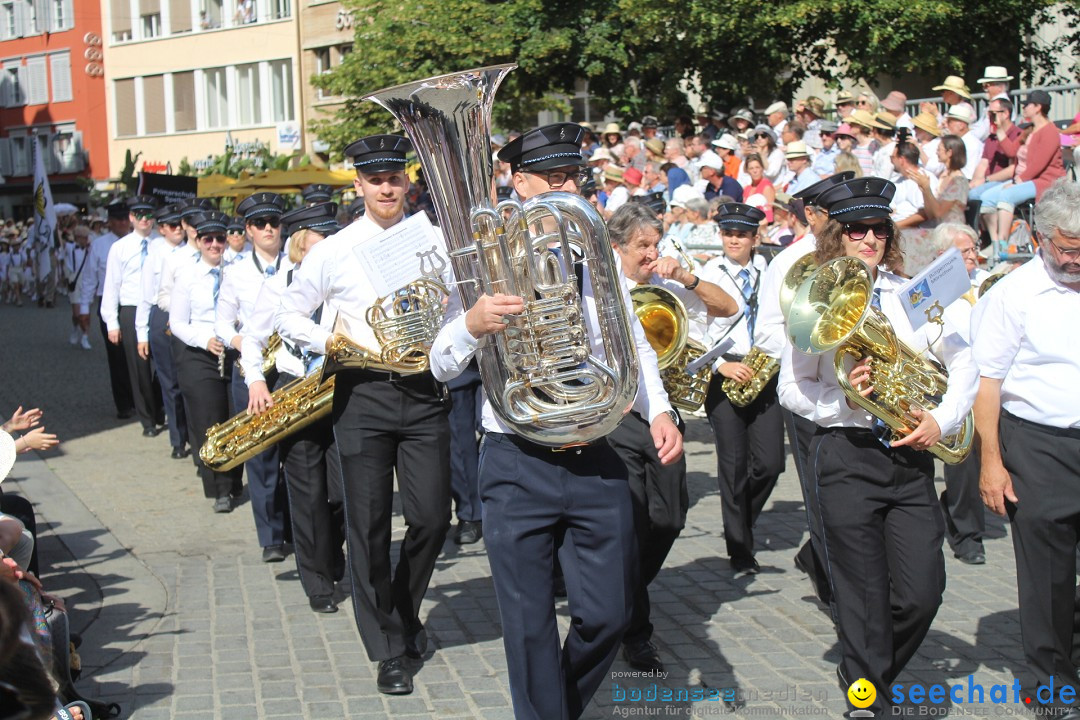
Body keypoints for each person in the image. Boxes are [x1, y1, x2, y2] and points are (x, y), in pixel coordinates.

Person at [431, 122, 682, 720]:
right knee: (528, 621)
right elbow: (440, 364)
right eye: (556, 177)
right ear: (519, 183)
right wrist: (472, 324)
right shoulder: (476, 259)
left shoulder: (595, 259)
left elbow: (633, 346)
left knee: (609, 613)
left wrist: (661, 409)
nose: (570, 188)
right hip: (517, 458)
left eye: (576, 176)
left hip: (594, 451)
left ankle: (553, 708)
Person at [777, 176, 978, 717]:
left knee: (922, 591)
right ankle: (868, 697)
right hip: (844, 457)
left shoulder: (911, 293)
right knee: (861, 593)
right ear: (835, 236)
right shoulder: (813, 298)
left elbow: (964, 364)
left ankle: (867, 666)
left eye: (877, 229)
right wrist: (847, 403)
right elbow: (792, 389)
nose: (868, 238)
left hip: (911, 456)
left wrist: (941, 417)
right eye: (855, 230)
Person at [276, 134, 452, 696]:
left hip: (424, 391)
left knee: (431, 518)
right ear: (359, 186)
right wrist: (331, 340)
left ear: (406, 183)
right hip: (362, 394)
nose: (385, 188)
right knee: (370, 527)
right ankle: (388, 648)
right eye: (374, 180)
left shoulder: (433, 239)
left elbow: (454, 305)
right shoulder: (334, 249)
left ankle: (398, 610)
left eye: (393, 178)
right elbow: (286, 311)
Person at [607, 202, 739, 672]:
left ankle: (618, 593)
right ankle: (634, 632)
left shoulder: (665, 286)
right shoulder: (602, 291)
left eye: (654, 244)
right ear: (617, 247)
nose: (650, 253)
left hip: (663, 415)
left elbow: (730, 307)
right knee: (630, 522)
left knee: (669, 519)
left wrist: (684, 275)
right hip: (617, 418)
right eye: (641, 246)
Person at [972, 179, 1080, 717]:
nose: (1076, 259)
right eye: (1067, 247)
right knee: (1048, 574)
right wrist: (991, 463)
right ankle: (1051, 683)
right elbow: (986, 383)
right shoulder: (1011, 295)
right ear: (1038, 237)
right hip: (1039, 445)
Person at [243, 201, 345, 612]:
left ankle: (333, 555)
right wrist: (254, 381)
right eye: (326, 238)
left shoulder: (342, 278)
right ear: (305, 242)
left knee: (339, 493)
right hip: (293, 390)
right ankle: (317, 584)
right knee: (306, 494)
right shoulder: (278, 283)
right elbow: (251, 338)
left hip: (339, 388)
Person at [701, 203, 784, 575]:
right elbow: (694, 328)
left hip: (765, 369)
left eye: (741, 234)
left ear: (755, 238)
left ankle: (741, 519)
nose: (733, 239)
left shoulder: (771, 271)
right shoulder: (708, 272)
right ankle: (739, 547)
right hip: (726, 370)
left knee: (770, 463)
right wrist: (721, 365)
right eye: (727, 233)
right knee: (733, 467)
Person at [216, 192, 290, 562]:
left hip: (291, 369)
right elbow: (221, 322)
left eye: (274, 222)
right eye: (260, 223)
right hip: (252, 371)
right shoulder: (236, 272)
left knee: (295, 451)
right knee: (261, 455)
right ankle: (271, 537)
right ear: (247, 229)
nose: (268, 229)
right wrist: (242, 340)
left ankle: (295, 526)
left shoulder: (298, 263)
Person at [170, 210, 245, 513]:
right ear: (198, 241)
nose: (215, 244)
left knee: (235, 419)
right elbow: (177, 323)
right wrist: (205, 340)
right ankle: (219, 489)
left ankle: (235, 477)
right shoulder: (187, 276)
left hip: (233, 350)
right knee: (209, 422)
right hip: (200, 355)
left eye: (220, 238)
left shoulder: (237, 270)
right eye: (208, 239)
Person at [931, 223, 988, 566]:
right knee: (963, 462)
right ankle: (967, 534)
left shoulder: (988, 281)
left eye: (973, 249)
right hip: (951, 379)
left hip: (992, 379)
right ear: (943, 256)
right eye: (964, 251)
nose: (973, 256)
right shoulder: (931, 287)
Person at [100, 195, 166, 436]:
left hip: (157, 306)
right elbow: (111, 286)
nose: (145, 220)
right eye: (140, 215)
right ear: (131, 218)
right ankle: (147, 419)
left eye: (149, 215)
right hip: (130, 307)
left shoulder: (162, 243)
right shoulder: (120, 248)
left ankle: (158, 405)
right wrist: (112, 322)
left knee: (162, 363)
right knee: (138, 367)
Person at [136, 203, 192, 460]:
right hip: (163, 318)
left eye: (180, 224)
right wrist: (141, 333)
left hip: (190, 320)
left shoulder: (193, 251)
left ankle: (194, 432)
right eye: (172, 226)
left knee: (189, 381)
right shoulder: (154, 255)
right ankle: (178, 440)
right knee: (170, 383)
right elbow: (145, 298)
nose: (178, 229)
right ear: (161, 230)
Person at [978, 90, 1065, 250]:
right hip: (1026, 180)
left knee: (1006, 195)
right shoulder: (1030, 129)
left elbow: (1039, 164)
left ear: (1038, 107)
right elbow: (1011, 151)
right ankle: (996, 244)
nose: (1024, 108)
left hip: (1044, 181)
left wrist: (1018, 181)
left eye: (1027, 105)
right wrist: (998, 129)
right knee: (987, 198)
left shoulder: (1049, 131)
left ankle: (1004, 246)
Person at [80, 202, 135, 419]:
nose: (122, 223)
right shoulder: (100, 245)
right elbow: (89, 278)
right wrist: (84, 307)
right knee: (117, 357)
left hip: (133, 303)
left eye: (125, 219)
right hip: (108, 303)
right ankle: (124, 404)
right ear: (110, 222)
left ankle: (143, 400)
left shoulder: (140, 242)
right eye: (118, 219)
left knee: (140, 355)